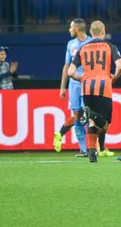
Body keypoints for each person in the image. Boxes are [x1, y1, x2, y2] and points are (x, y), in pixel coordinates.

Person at [67, 21, 121, 163]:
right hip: (104, 87)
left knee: (92, 123)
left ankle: (92, 151)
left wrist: (81, 79)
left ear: (91, 33)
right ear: (103, 32)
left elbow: (70, 71)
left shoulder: (82, 48)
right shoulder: (110, 47)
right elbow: (120, 66)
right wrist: (114, 78)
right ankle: (89, 114)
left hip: (86, 87)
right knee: (105, 123)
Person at [54, 19, 93, 157]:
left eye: (70, 27)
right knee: (77, 115)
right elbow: (67, 66)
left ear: (76, 29)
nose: (69, 30)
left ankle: (93, 147)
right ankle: (83, 150)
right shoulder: (71, 44)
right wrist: (62, 87)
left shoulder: (91, 42)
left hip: (88, 83)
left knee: (88, 115)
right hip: (74, 85)